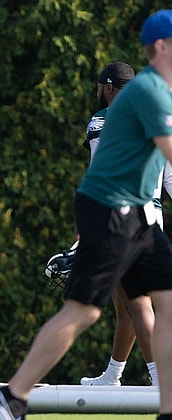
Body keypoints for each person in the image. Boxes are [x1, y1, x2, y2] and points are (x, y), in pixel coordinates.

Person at [0, 9, 172, 420]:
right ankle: (13, 394)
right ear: (161, 46)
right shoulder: (148, 94)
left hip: (139, 215)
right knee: (90, 310)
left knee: (157, 301)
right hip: (114, 211)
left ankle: (164, 400)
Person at [79, 62, 158, 387]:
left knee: (137, 302)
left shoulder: (102, 120)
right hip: (153, 219)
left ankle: (160, 378)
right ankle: (113, 375)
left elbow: (99, 174)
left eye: (100, 87)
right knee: (125, 302)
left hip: (120, 218)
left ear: (109, 87)